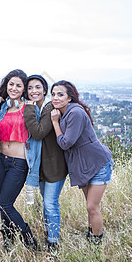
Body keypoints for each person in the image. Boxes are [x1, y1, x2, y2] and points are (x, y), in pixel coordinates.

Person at [50, 80, 113, 245]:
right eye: (53, 94)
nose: (56, 98)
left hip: (98, 164)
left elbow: (65, 143)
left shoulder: (74, 113)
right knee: (89, 206)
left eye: (60, 94)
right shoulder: (64, 112)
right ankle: (91, 235)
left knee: (92, 207)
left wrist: (55, 122)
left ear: (69, 98)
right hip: (85, 166)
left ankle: (97, 243)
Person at [0, 69, 41, 251]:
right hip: (1, 161)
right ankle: (8, 241)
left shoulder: (30, 108)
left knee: (6, 203)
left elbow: (37, 137)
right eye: (11, 84)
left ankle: (27, 237)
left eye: (18, 85)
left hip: (18, 163)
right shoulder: (3, 106)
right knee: (1, 204)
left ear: (24, 89)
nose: (14, 88)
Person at [23, 75, 68, 251]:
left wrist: (27, 109)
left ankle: (53, 242)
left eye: (37, 87)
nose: (33, 91)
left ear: (44, 90)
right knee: (46, 203)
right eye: (30, 88)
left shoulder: (49, 107)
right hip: (41, 166)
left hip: (54, 165)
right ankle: (49, 234)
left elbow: (39, 132)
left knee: (50, 203)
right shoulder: (36, 108)